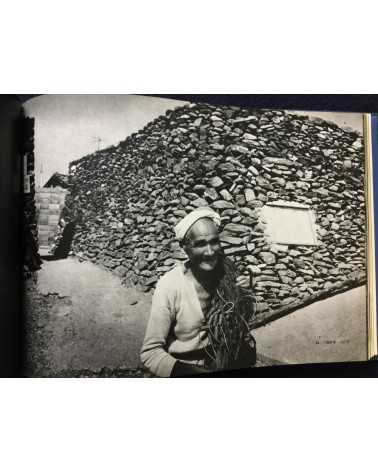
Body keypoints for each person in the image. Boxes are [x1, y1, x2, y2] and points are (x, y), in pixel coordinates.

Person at [140, 207, 254, 377]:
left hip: (226, 361)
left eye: (214, 241)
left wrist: (244, 293)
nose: (210, 252)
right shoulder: (170, 286)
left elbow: (241, 320)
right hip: (185, 367)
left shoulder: (226, 273)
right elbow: (150, 353)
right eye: (200, 244)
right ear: (184, 247)